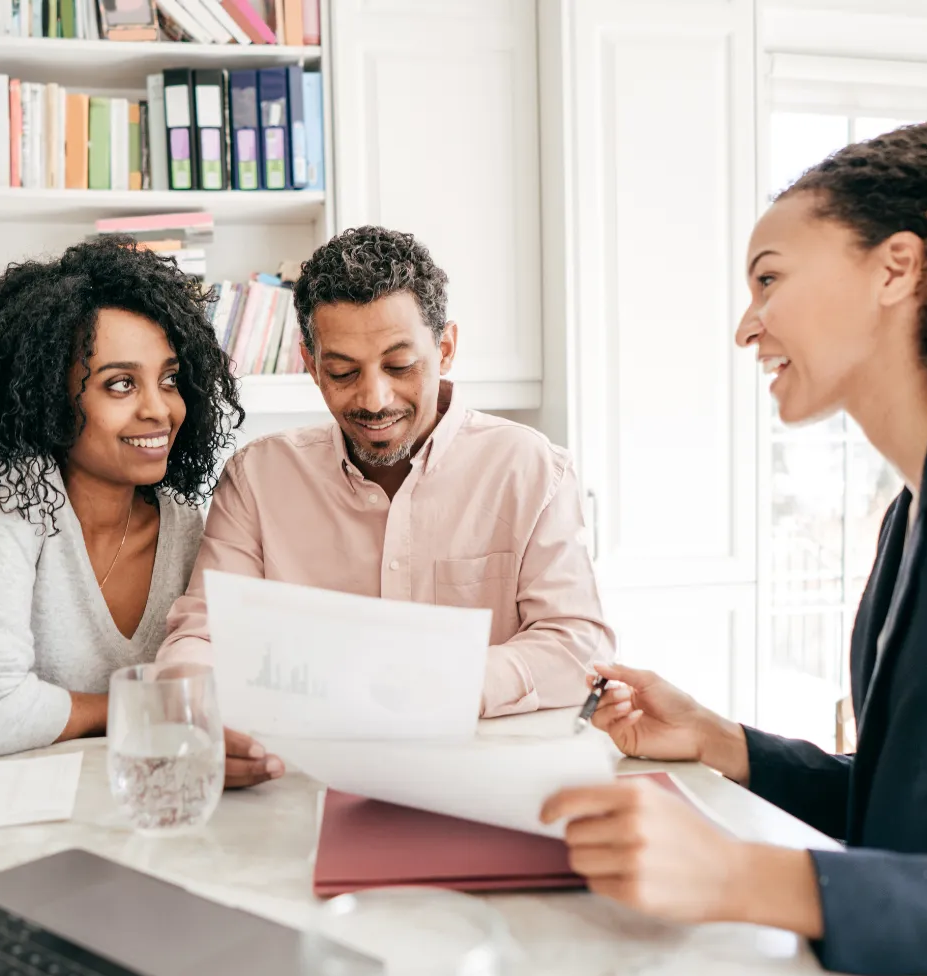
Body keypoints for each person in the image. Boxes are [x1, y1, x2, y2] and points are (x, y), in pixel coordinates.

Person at [541, 121, 927, 976]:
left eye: (769, 279)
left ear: (897, 267)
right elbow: (911, 814)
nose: (746, 326)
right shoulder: (910, 516)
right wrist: (717, 739)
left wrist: (740, 874)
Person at [159, 226, 614, 783]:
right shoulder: (257, 478)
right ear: (309, 362)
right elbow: (201, 635)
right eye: (343, 372)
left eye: (400, 366)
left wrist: (454, 681)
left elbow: (576, 645)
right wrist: (195, 712)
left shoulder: (532, 469)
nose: (374, 400)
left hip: (484, 781)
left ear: (444, 348)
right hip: (300, 780)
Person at [0, 237, 249, 767]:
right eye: (121, 384)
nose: (159, 409)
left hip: (99, 802)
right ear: (48, 397)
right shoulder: (3, 499)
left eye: (170, 379)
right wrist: (137, 707)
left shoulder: (182, 521)